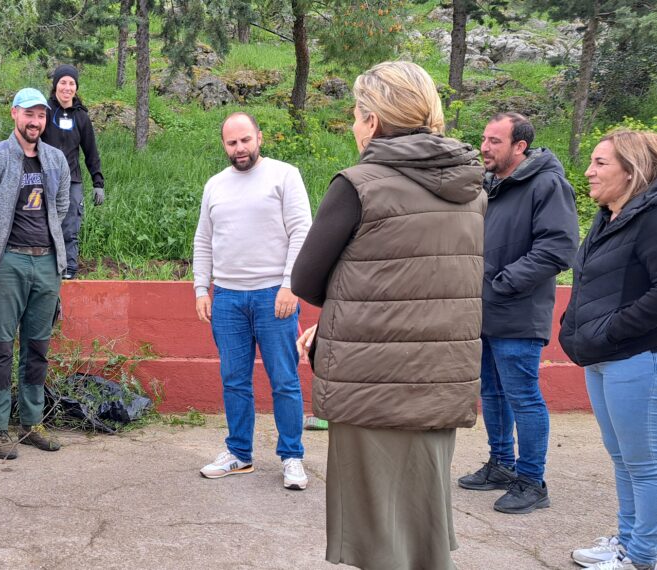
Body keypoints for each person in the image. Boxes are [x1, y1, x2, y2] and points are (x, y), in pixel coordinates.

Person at [292, 61, 486, 569]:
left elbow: (306, 281)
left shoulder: (360, 184)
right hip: (438, 378)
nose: (354, 126)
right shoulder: (471, 190)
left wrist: (339, 317)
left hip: (373, 380)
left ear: (373, 121)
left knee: (376, 532)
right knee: (424, 525)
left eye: (356, 115)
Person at [457, 112, 579, 514]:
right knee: (491, 393)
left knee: (523, 397)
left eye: (494, 141)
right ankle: (501, 465)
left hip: (519, 312)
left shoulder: (547, 183)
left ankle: (532, 480)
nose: (484, 147)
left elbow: (558, 248)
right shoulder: (492, 186)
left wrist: (502, 283)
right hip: (487, 311)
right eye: (484, 139)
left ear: (519, 146)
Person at [559, 129, 657, 570]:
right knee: (623, 457)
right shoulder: (612, 216)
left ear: (633, 169)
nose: (588, 172)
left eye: (601, 163)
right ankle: (625, 541)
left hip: (639, 358)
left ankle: (641, 556)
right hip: (605, 358)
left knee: (646, 463)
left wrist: (612, 331)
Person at [191, 112, 312, 490]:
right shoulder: (215, 185)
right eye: (232, 143)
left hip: (273, 296)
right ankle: (239, 454)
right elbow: (203, 240)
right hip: (227, 298)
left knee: (285, 380)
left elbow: (301, 231)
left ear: (259, 137)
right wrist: (200, 288)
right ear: (223, 145)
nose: (239, 148)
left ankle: (292, 457)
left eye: (245, 140)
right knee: (234, 380)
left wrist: (291, 286)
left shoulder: (284, 175)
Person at [0, 88, 70, 460]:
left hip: (46, 263)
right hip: (7, 262)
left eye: (41, 115)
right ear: (14, 114)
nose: (35, 122)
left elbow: (60, 206)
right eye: (29, 114)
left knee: (37, 346)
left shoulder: (56, 160)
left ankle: (31, 422)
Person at [40, 64, 104, 280]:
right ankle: (45, 268)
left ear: (76, 87)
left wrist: (98, 182)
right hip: (44, 178)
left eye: (71, 83)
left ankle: (69, 269)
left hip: (72, 180)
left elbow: (90, 151)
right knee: (42, 224)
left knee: (69, 227)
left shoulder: (81, 117)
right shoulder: (45, 112)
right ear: (55, 85)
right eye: (63, 82)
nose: (67, 87)